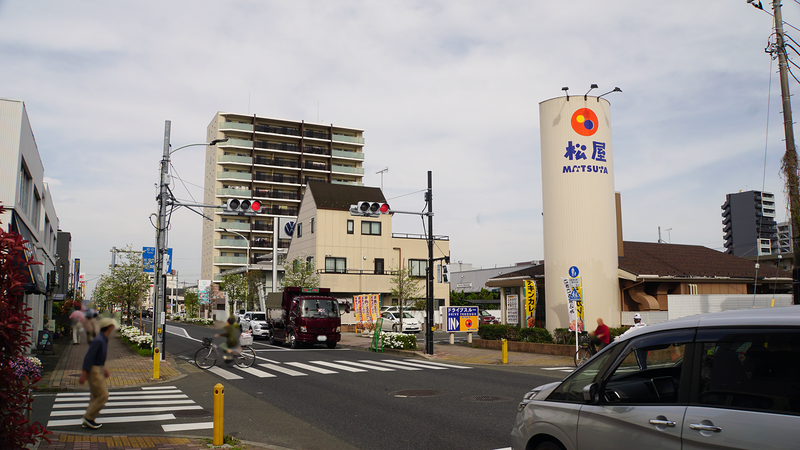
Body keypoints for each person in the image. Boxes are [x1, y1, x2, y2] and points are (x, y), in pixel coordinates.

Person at [78, 317, 118, 429]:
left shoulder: (103, 339)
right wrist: (84, 374)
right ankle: (88, 417)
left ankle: (89, 418)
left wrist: (104, 368)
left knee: (95, 395)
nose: (113, 328)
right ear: (109, 327)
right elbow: (89, 357)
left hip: (97, 368)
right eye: (112, 326)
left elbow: (98, 356)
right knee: (103, 395)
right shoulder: (99, 340)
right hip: (93, 370)